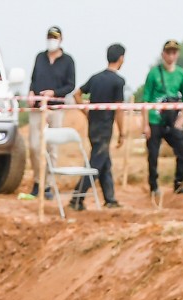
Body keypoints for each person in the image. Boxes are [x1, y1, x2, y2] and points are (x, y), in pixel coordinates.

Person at [72, 44, 126, 211]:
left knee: (104, 162)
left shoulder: (95, 78)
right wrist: (122, 132)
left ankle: (110, 199)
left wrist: (85, 111)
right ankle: (77, 197)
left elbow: (76, 94)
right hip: (104, 127)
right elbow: (118, 110)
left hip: (93, 126)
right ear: (121, 59)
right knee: (96, 164)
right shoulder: (118, 81)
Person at [24, 25, 76, 198]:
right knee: (34, 146)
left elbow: (71, 85)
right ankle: (38, 180)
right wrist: (31, 92)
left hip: (55, 108)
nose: (51, 40)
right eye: (49, 37)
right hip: (38, 108)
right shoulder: (40, 57)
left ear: (61, 40)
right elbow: (33, 79)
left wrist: (54, 93)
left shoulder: (68, 61)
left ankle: (48, 185)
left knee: (52, 147)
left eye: (54, 37)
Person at [138, 39, 183, 197]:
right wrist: (145, 124)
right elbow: (145, 100)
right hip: (155, 120)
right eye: (168, 52)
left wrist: (182, 117)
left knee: (182, 148)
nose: (171, 55)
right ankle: (153, 186)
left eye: (174, 52)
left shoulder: (181, 73)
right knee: (153, 154)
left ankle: (179, 183)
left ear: (178, 54)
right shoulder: (154, 73)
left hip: (172, 120)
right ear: (163, 54)